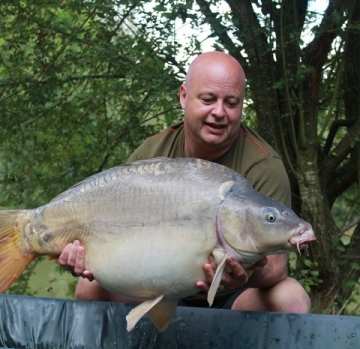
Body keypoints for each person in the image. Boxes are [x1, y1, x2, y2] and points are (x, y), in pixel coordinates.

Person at [59, 51, 311, 313]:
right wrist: (81, 253)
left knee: (291, 299)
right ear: (183, 96)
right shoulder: (152, 154)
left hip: (235, 297)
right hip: (157, 285)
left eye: (231, 103)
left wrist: (245, 275)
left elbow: (276, 266)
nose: (219, 112)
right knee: (89, 288)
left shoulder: (263, 164)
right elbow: (108, 228)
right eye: (208, 99)